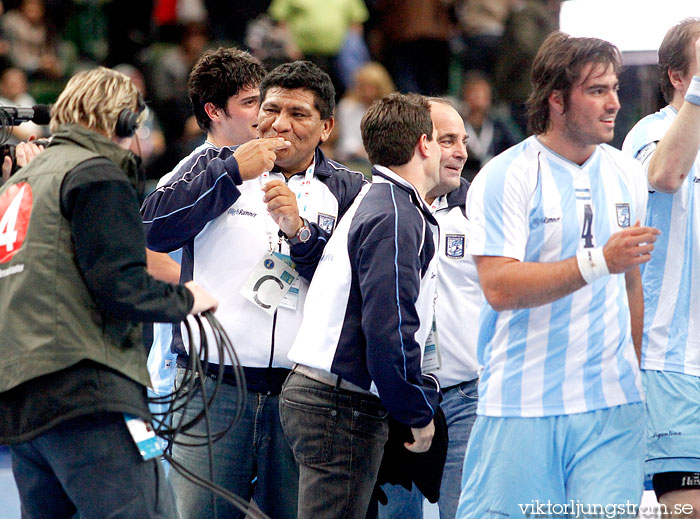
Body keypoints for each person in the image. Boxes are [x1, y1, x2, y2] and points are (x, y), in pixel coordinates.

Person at [141, 59, 366, 519]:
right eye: (270, 109)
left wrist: (303, 235)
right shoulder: (211, 167)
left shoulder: (350, 190)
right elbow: (151, 229)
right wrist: (229, 174)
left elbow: (359, 283)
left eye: (298, 113)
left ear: (326, 126)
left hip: (305, 396)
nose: (280, 123)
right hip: (212, 389)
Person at [456, 32, 660, 519]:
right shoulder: (507, 175)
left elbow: (632, 283)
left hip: (612, 406)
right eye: (596, 91)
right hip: (523, 404)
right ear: (556, 99)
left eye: (614, 88)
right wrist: (597, 262)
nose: (614, 103)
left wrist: (632, 370)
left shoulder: (627, 173)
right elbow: (500, 287)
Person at [0, 66, 217, 519]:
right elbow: (120, 285)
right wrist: (189, 299)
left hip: (22, 405)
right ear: (122, 121)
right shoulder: (95, 174)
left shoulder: (20, 182)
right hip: (86, 392)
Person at [280, 92, 442, 519]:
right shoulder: (395, 214)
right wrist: (416, 410)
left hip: (324, 395)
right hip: (338, 402)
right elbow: (388, 326)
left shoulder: (377, 200)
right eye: (445, 139)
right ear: (424, 145)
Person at [143, 46, 267, 443]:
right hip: (185, 365)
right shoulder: (187, 173)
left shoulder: (273, 170)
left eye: (262, 100)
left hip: (255, 368)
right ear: (214, 111)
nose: (262, 112)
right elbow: (144, 253)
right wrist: (211, 289)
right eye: (249, 103)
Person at [378, 98, 480, 519]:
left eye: (464, 140)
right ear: (419, 144)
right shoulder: (381, 207)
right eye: (447, 140)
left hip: (466, 400)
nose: (461, 151)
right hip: (395, 402)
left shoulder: (481, 208)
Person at [622, 18, 700, 515]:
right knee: (686, 508)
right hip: (671, 361)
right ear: (676, 76)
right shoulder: (647, 135)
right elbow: (667, 176)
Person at [460, 71, 522, 181]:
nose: (478, 97)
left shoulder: (499, 124)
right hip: (465, 178)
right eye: (474, 92)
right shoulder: (459, 123)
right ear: (466, 96)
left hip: (495, 177)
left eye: (483, 93)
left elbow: (517, 147)